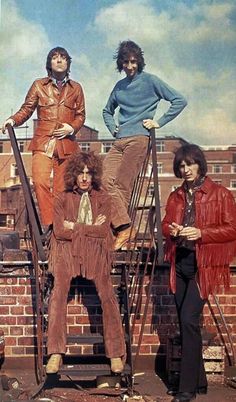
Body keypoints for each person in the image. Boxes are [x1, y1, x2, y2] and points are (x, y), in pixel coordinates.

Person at [162, 144, 236, 402]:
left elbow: (232, 229)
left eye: (190, 164)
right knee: (186, 324)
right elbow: (164, 224)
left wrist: (202, 233)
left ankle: (186, 390)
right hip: (180, 262)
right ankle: (200, 381)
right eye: (181, 166)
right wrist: (170, 229)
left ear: (200, 164)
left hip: (204, 265)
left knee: (189, 320)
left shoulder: (221, 194)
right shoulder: (175, 195)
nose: (185, 170)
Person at [45, 151, 126, 374]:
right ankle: (55, 352)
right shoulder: (62, 198)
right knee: (58, 292)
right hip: (67, 252)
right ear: (74, 174)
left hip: (95, 252)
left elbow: (102, 233)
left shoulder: (104, 198)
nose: (84, 177)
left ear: (94, 176)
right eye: (80, 173)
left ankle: (116, 353)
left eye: (88, 173)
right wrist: (87, 228)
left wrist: (76, 226)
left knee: (107, 295)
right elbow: (60, 232)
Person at [102, 40, 187, 251]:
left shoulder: (150, 81)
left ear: (139, 61)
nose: (130, 66)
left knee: (123, 186)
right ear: (120, 64)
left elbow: (179, 100)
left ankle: (120, 232)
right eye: (126, 62)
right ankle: (125, 227)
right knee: (102, 181)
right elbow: (106, 111)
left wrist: (159, 122)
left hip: (139, 138)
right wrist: (113, 127)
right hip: (120, 139)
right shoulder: (119, 87)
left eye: (133, 62)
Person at [2, 47, 85, 232]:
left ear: (68, 63)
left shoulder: (76, 88)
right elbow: (27, 108)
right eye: (54, 58)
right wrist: (13, 120)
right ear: (49, 63)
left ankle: (57, 227)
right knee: (39, 181)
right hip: (43, 142)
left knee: (61, 188)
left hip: (67, 144)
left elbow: (81, 115)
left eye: (62, 58)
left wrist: (71, 127)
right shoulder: (39, 85)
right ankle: (50, 222)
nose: (59, 60)